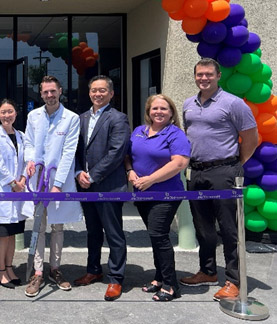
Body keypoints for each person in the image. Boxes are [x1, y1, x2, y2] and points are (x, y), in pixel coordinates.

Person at [181, 58, 258, 301]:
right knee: (203, 227)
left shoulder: (233, 104)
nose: (203, 78)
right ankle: (208, 271)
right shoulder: (188, 104)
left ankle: (234, 281)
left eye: (208, 75)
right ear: (194, 76)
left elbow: (251, 138)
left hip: (225, 172)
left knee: (229, 229)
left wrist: (235, 166)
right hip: (196, 172)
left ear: (218, 76)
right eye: (199, 75)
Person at [124, 94, 190, 301]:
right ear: (148, 111)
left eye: (164, 108)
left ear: (171, 112)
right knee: (154, 236)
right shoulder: (139, 131)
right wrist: (130, 171)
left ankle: (171, 285)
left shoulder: (175, 134)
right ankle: (159, 277)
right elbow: (128, 155)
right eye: (155, 108)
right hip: (142, 193)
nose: (159, 112)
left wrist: (150, 179)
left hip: (166, 194)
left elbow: (179, 163)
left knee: (159, 236)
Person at [23, 75, 82, 297]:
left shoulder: (71, 118)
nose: (49, 95)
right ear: (41, 94)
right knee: (38, 224)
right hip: (37, 177)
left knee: (57, 226)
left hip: (59, 179)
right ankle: (38, 272)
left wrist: (58, 184)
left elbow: (69, 152)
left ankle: (55, 268)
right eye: (45, 92)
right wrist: (30, 160)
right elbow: (29, 142)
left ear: (60, 91)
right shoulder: (33, 116)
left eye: (53, 91)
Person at [74, 75, 130, 301]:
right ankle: (94, 270)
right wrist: (79, 173)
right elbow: (75, 150)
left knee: (114, 233)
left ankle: (116, 278)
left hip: (108, 186)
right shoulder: (81, 118)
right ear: (89, 93)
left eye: (102, 91)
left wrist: (93, 176)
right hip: (86, 186)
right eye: (94, 90)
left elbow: (117, 152)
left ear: (111, 93)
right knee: (93, 232)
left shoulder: (118, 118)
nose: (97, 94)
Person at [0, 99, 34, 289]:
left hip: (18, 188)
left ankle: (9, 267)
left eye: (10, 112)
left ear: (16, 114)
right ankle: (0, 270)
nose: (7, 115)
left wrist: (22, 179)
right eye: (3, 112)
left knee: (13, 233)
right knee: (3, 233)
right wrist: (13, 182)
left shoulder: (21, 135)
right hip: (3, 189)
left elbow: (25, 160)